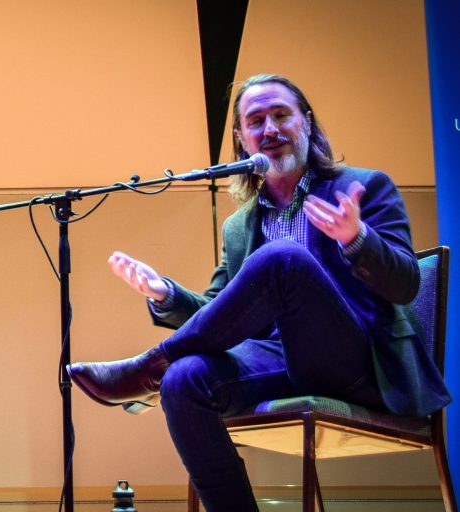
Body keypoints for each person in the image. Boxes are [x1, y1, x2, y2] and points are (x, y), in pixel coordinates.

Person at [68, 74, 450, 511]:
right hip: (280, 360)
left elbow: (406, 283)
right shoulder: (240, 226)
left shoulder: (364, 188)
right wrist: (164, 293)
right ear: (241, 139)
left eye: (281, 115)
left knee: (282, 258)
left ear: (306, 123)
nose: (270, 128)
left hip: (359, 363)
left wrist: (357, 237)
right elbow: (218, 313)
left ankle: (146, 368)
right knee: (184, 380)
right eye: (256, 121)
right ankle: (162, 373)